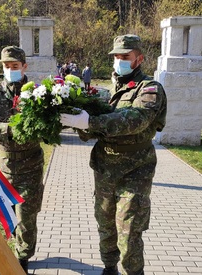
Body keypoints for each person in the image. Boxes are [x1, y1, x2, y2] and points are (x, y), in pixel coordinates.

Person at [60, 34, 167, 275]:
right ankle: (109, 267)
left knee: (128, 232)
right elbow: (92, 131)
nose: (119, 60)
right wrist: (75, 121)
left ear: (139, 59)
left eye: (125, 56)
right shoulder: (108, 92)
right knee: (106, 224)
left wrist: (92, 121)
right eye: (116, 56)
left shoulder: (150, 89)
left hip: (135, 171)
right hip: (105, 168)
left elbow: (136, 120)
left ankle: (133, 272)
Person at [0, 46, 44, 274]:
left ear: (24, 66)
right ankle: (18, 244)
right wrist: (11, 128)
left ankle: (22, 258)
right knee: (8, 215)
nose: (10, 69)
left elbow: (51, 122)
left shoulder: (39, 93)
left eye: (15, 66)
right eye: (7, 66)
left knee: (27, 216)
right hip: (2, 167)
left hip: (31, 165)